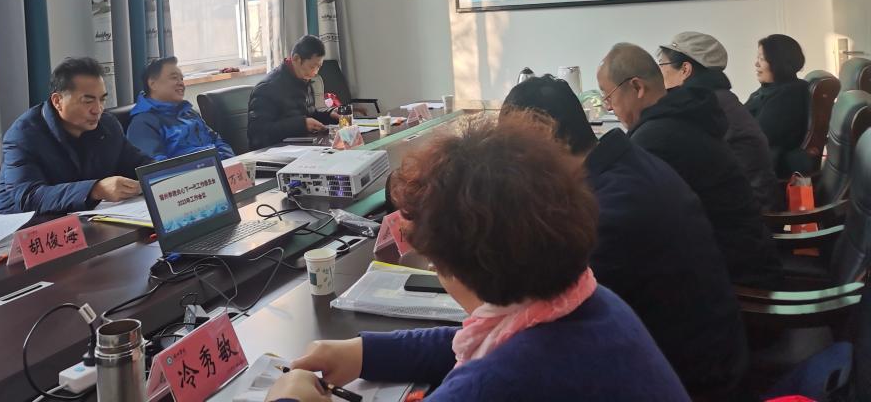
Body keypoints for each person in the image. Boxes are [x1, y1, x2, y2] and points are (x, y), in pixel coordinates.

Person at [265, 113, 690, 402]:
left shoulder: (501, 382)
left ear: (455, 262)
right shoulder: (589, 302)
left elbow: (495, 370)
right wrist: (364, 352)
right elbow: (469, 338)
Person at [500, 76, 748, 398]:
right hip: (704, 358)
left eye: (512, 150)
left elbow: (547, 316)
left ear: (543, 132)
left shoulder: (613, 209)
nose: (511, 168)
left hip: (693, 384)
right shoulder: (625, 165)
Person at [598, 42, 780, 287]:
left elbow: (634, 222)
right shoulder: (681, 116)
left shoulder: (656, 138)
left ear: (637, 87)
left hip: (734, 275)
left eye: (608, 96)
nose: (609, 107)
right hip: (746, 252)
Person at [0, 57, 151, 214]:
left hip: (84, 219)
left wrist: (161, 175)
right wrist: (95, 190)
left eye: (102, 99)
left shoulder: (107, 125)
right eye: (88, 101)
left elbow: (138, 163)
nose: (98, 109)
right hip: (25, 224)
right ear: (57, 101)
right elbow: (29, 197)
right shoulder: (23, 135)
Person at [657, 31, 779, 211]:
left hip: (746, 209)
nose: (659, 72)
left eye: (662, 64)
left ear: (685, 70)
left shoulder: (702, 106)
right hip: (746, 200)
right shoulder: (717, 98)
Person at [126, 57, 234, 161]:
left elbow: (216, 140)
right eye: (174, 78)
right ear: (153, 84)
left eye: (181, 78)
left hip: (218, 168)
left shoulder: (189, 112)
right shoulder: (143, 123)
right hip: (195, 172)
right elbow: (156, 168)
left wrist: (230, 162)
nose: (181, 83)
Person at [247, 35, 337, 150]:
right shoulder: (267, 88)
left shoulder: (303, 80)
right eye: (312, 67)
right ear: (296, 59)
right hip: (274, 153)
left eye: (318, 67)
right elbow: (258, 134)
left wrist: (329, 115)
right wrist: (301, 124)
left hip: (301, 147)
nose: (315, 72)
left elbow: (309, 115)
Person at [744, 34, 811, 178]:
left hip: (769, 170)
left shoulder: (789, 95)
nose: (756, 64)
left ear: (778, 62)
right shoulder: (771, 88)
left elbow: (758, 136)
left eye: (762, 59)